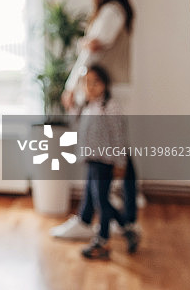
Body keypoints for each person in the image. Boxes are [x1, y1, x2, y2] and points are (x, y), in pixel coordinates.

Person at [51, 0, 140, 250]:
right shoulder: (116, 12)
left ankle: (104, 220)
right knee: (97, 163)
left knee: (99, 164)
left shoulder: (111, 12)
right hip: (107, 96)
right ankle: (89, 219)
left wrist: (73, 89)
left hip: (105, 99)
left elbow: (90, 53)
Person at [63, 65, 135, 259]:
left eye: (96, 82)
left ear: (104, 84)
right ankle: (127, 229)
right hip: (92, 161)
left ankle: (102, 241)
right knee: (100, 200)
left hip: (105, 161)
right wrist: (71, 106)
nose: (91, 87)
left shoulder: (110, 106)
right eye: (87, 83)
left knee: (101, 201)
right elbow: (76, 126)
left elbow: (119, 136)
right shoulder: (88, 106)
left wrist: (120, 163)